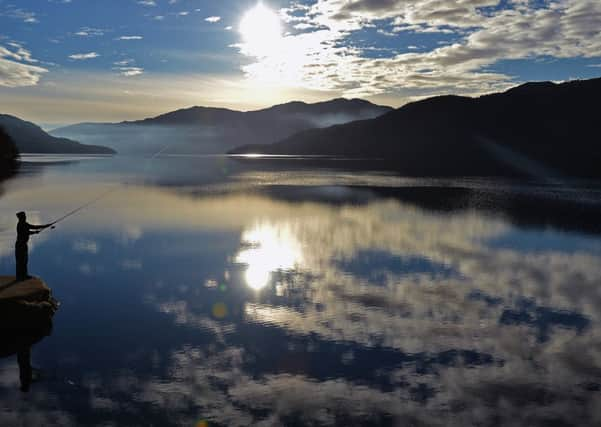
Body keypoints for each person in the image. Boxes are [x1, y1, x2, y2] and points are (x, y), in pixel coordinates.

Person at [15, 212, 53, 281]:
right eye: (24, 216)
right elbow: (27, 231)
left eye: (25, 216)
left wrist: (46, 226)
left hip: (22, 244)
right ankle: (21, 276)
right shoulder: (21, 224)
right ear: (21, 218)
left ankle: (22, 276)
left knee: (23, 261)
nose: (25, 217)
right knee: (22, 261)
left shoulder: (24, 224)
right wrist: (35, 232)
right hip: (21, 245)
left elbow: (33, 227)